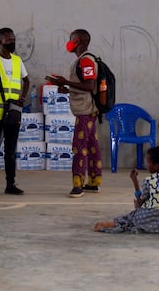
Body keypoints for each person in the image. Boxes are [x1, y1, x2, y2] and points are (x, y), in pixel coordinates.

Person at [49, 29, 102, 198]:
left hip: (85, 110)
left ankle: (78, 185)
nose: (69, 43)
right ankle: (93, 182)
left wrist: (65, 81)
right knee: (92, 145)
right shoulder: (81, 60)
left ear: (77, 41)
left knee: (79, 147)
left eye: (71, 40)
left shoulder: (86, 60)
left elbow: (88, 86)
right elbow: (82, 86)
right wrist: (67, 87)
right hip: (86, 108)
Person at [94, 146, 159, 233]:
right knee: (136, 216)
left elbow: (140, 203)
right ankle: (114, 224)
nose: (146, 165)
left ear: (156, 166)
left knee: (132, 216)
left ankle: (112, 224)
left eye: (148, 163)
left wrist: (135, 182)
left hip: (148, 218)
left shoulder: (150, 180)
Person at [0, 28, 30, 195]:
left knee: (10, 151)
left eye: (13, 39)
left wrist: (22, 97)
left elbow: (26, 80)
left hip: (13, 113)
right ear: (0, 41)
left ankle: (10, 184)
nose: (12, 42)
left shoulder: (18, 61)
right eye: (8, 40)